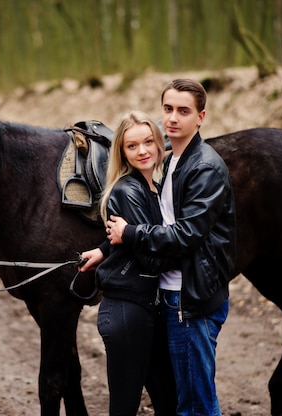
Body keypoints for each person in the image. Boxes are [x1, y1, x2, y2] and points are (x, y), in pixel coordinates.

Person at [82, 79, 236, 416]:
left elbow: (184, 235)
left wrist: (129, 234)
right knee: (182, 400)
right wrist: (108, 248)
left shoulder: (201, 166)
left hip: (189, 297)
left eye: (184, 111)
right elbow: (151, 223)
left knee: (194, 403)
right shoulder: (170, 164)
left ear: (201, 117)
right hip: (165, 300)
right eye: (168, 109)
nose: (173, 118)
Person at [89, 110, 178, 416]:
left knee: (169, 401)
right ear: (122, 153)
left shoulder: (152, 186)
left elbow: (136, 232)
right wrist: (185, 245)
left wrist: (105, 247)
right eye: (132, 146)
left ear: (158, 143)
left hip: (145, 308)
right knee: (125, 408)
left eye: (148, 142)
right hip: (128, 312)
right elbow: (152, 259)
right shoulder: (128, 190)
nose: (142, 151)